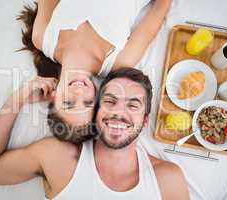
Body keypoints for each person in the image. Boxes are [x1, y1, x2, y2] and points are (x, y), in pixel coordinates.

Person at [0, 68, 189, 200]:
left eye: (133, 105)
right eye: (110, 101)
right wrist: (18, 99)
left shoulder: (168, 179)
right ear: (96, 111)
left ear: (145, 120)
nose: (119, 112)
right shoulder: (58, 157)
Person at [16, 0, 172, 143]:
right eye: (87, 102)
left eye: (68, 103)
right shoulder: (119, 61)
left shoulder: (42, 37)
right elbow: (161, 6)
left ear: (53, 96)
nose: (78, 92)